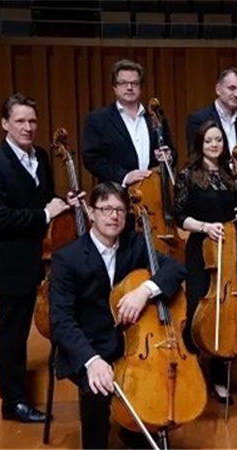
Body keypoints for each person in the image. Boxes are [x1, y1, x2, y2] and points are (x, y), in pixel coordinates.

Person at [49, 181, 186, 449]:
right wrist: (91, 361)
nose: (114, 216)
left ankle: (135, 432)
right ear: (91, 213)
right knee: (97, 390)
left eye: (120, 210)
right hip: (89, 347)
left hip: (131, 344)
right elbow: (61, 321)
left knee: (154, 379)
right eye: (106, 209)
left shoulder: (135, 244)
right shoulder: (67, 258)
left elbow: (175, 269)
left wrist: (144, 291)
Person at [0, 93, 74, 423]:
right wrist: (45, 213)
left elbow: (43, 199)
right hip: (7, 262)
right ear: (5, 123)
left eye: (32, 120)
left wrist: (63, 202)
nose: (27, 127)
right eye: (20, 121)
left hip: (38, 257)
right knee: (11, 334)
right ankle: (13, 402)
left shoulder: (41, 156)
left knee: (21, 329)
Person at [174, 120, 237, 405]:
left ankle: (220, 377)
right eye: (209, 140)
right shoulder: (188, 174)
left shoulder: (231, 173)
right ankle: (192, 371)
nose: (214, 144)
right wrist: (205, 226)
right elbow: (179, 216)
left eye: (219, 140)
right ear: (200, 143)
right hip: (201, 248)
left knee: (225, 312)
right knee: (197, 309)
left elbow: (235, 212)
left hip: (228, 248)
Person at [81, 58, 174, 187]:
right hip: (116, 192)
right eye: (123, 83)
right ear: (114, 87)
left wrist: (169, 157)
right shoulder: (98, 119)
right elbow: (91, 159)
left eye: (134, 83)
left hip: (153, 190)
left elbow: (172, 152)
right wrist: (124, 176)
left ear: (140, 87)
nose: (129, 87)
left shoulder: (156, 116)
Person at [185, 67, 237, 156]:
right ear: (218, 89)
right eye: (231, 88)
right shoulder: (198, 119)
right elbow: (195, 156)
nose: (236, 94)